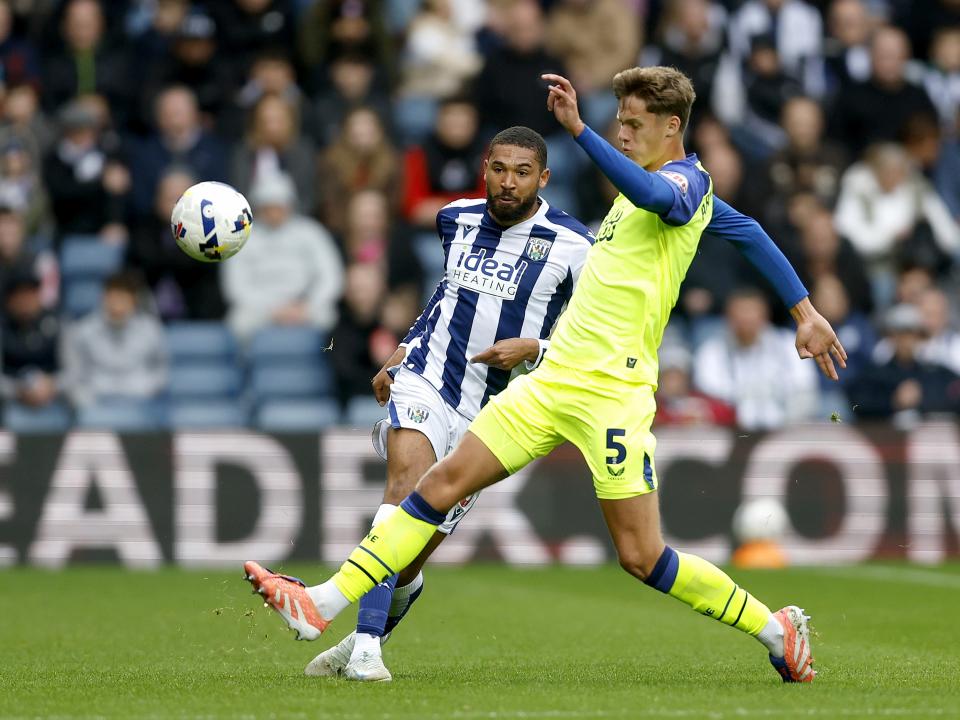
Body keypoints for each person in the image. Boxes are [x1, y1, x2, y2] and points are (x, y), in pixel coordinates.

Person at [245, 67, 846, 684]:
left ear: (672, 127)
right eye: (619, 122)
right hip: (553, 379)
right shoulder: (661, 194)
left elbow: (664, 199)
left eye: (634, 125)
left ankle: (776, 631)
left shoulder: (685, 183)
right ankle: (323, 603)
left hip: (613, 395)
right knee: (439, 482)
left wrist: (581, 131)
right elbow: (748, 231)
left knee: (642, 557)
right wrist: (804, 310)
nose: (624, 133)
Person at [306, 126, 595, 682]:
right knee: (402, 491)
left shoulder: (573, 245)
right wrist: (406, 348)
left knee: (410, 555)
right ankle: (367, 646)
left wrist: (536, 347)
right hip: (426, 381)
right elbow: (447, 295)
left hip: (492, 415)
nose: (507, 182)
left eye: (522, 172)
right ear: (484, 167)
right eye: (499, 168)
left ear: (544, 178)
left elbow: (599, 337)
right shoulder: (455, 219)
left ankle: (363, 637)